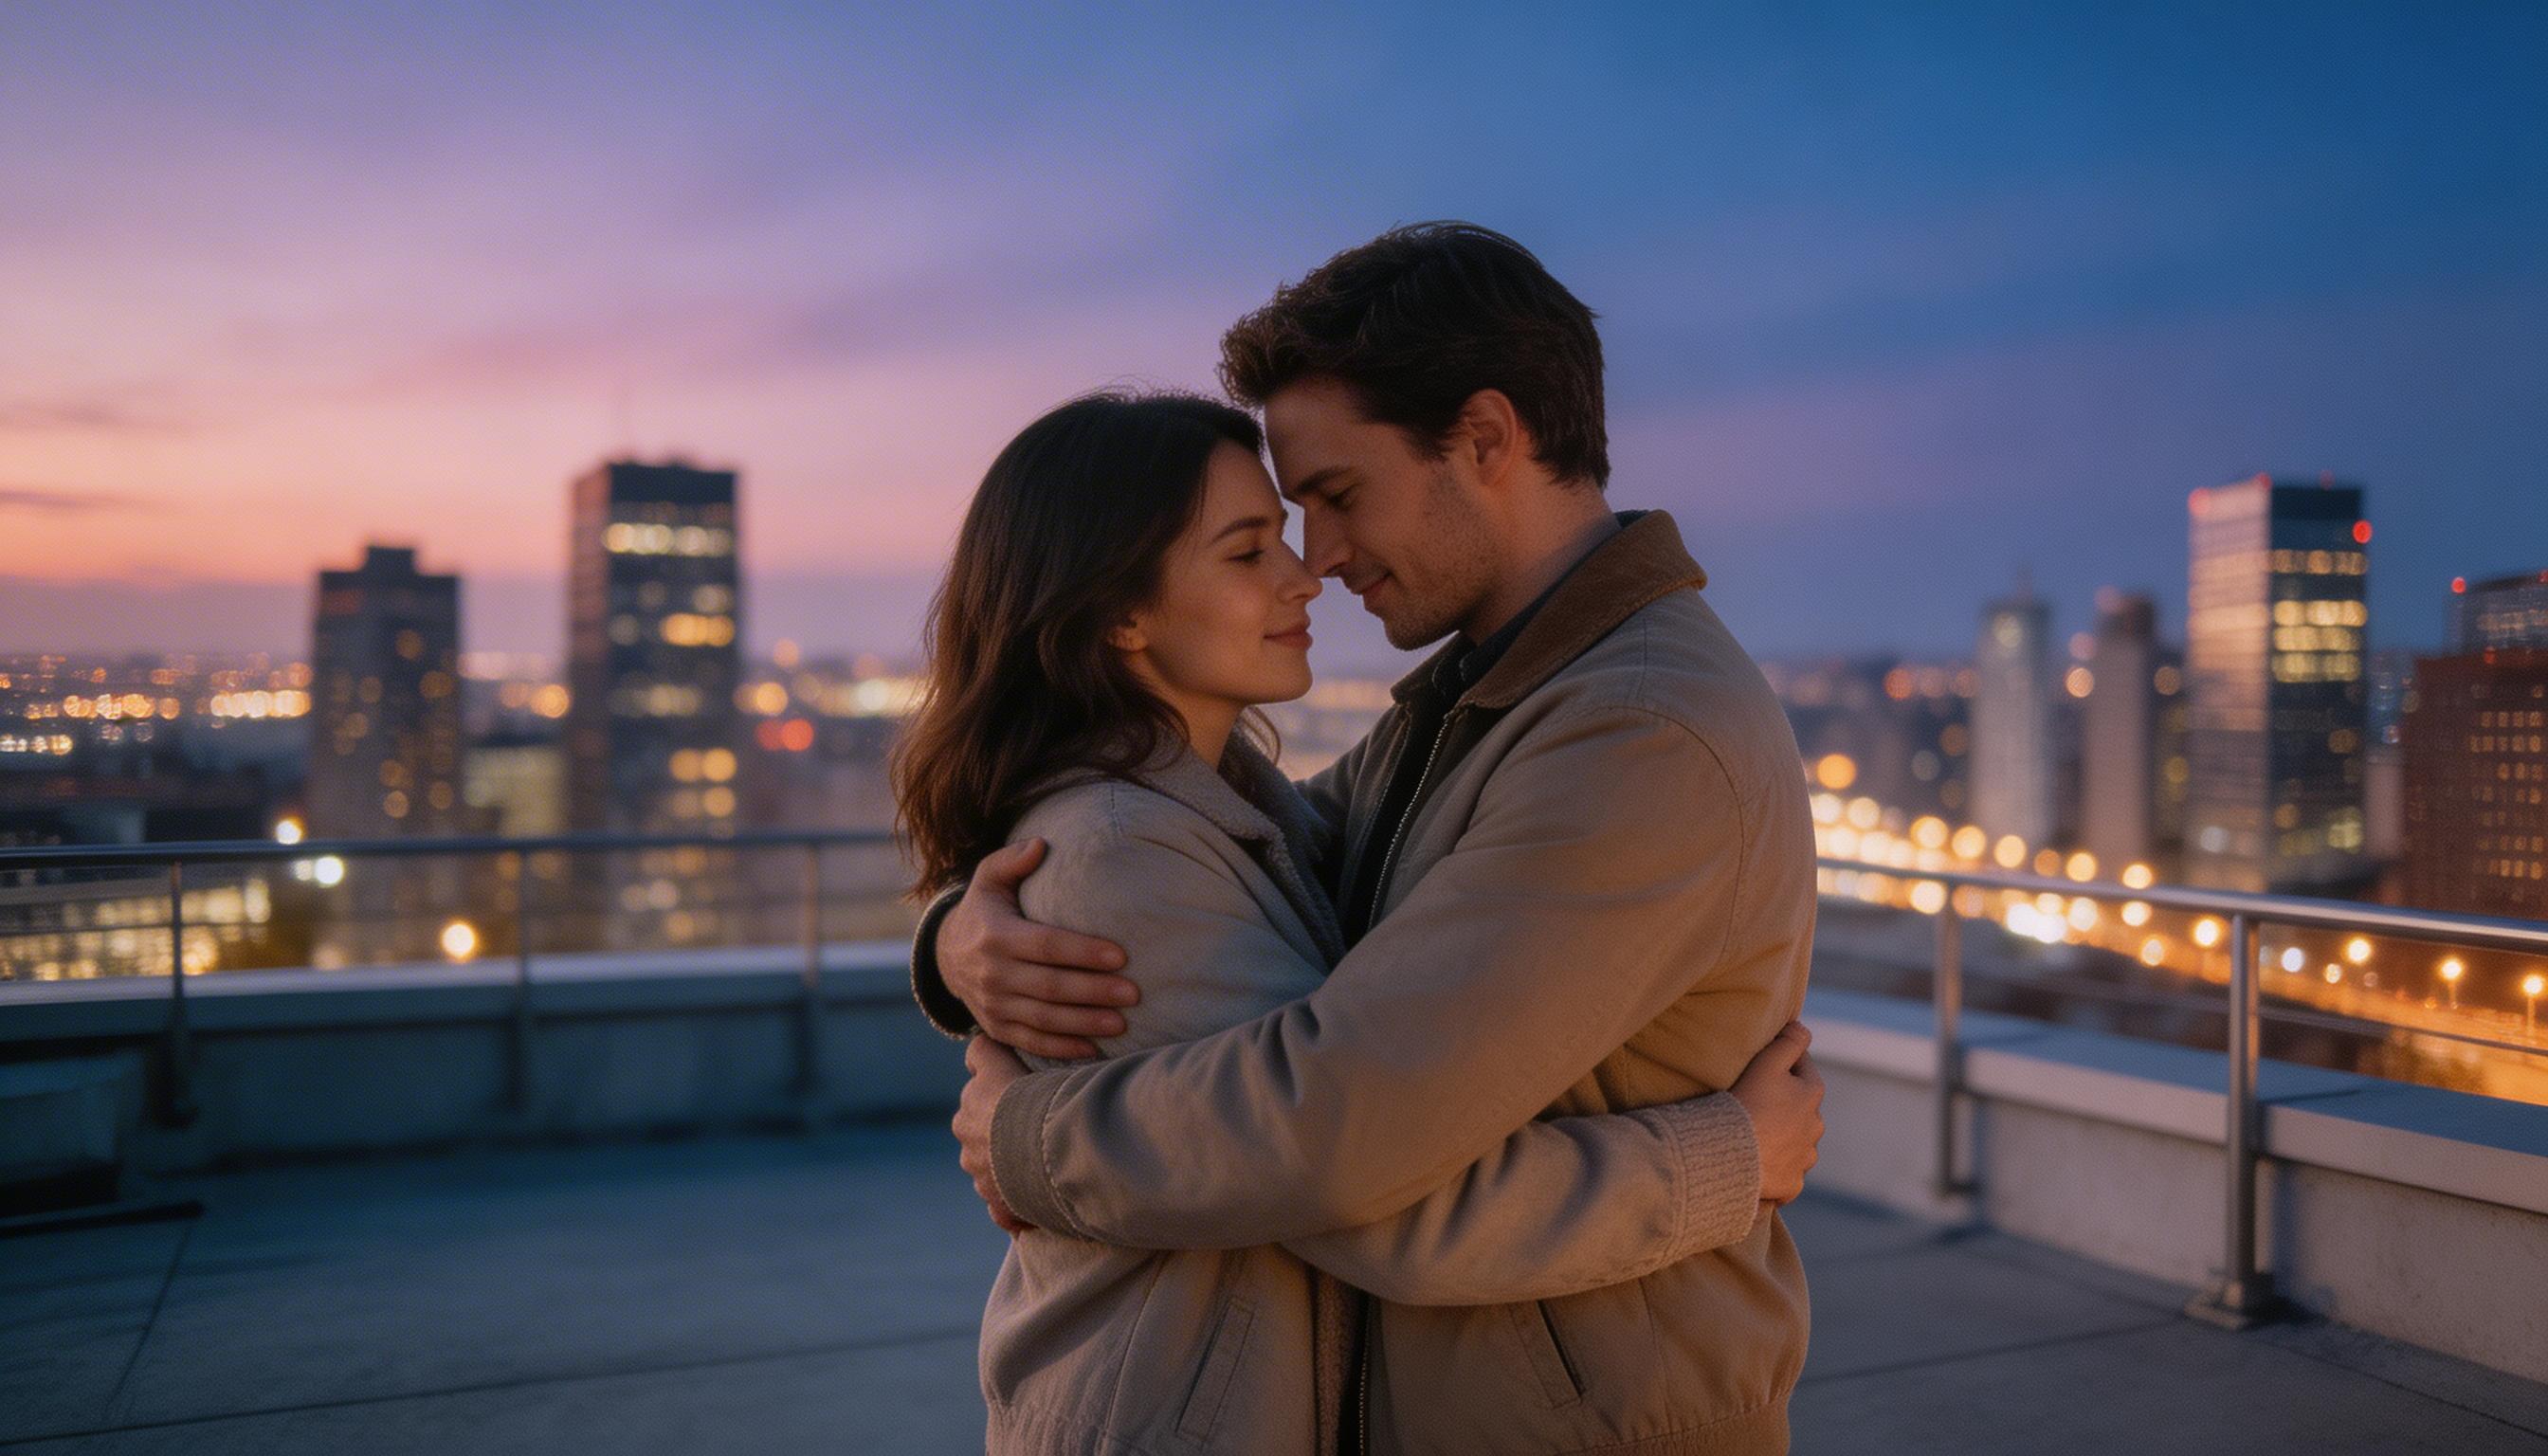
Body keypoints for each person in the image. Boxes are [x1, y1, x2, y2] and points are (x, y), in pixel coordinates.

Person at [916, 224, 1824, 1454]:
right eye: (1272, 534)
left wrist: (1028, 1139)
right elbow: (1261, 859)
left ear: (1489, 439)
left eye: (1337, 498)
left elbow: (1337, 1133)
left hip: (1582, 1418)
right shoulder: (1489, 697)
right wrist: (962, 940)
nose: (1321, 562)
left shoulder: (1633, 733)